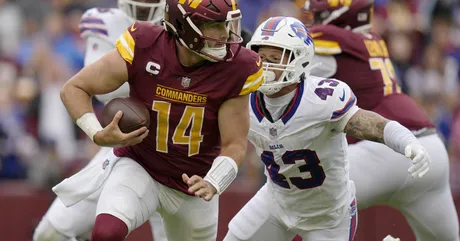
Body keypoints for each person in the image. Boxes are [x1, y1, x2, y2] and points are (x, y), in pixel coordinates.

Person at [44, 0, 264, 240]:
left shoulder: (238, 67)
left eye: (225, 23)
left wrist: (214, 181)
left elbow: (234, 144)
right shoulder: (146, 43)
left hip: (194, 185)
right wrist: (97, 133)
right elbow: (74, 88)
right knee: (106, 233)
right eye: (214, 25)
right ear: (183, 25)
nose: (225, 33)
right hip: (141, 166)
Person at [223, 16, 430, 241]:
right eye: (262, 57)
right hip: (276, 203)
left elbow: (371, 125)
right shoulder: (245, 98)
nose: (267, 65)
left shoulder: (321, 99)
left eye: (275, 58)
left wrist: (406, 140)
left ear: (299, 60)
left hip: (328, 216)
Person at [304, 1, 459, 240]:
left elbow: (292, 70)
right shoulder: (372, 40)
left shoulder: (334, 40)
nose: (315, 19)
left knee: (301, 200)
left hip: (386, 147)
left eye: (320, 14)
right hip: (430, 149)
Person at [33, 1, 168, 241]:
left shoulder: (186, 27)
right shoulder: (105, 21)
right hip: (125, 148)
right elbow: (102, 91)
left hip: (176, 154)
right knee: (48, 235)